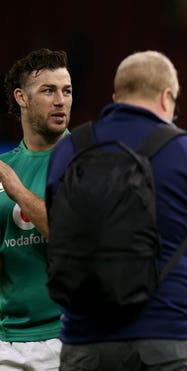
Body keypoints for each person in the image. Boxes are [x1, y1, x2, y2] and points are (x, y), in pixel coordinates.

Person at [45, 50, 187, 371]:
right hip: (167, 338)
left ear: (116, 97)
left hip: (84, 341)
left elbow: (59, 231)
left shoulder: (69, 150)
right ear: (167, 98)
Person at [0, 48, 72, 369]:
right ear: (22, 97)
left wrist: (16, 189)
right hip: (8, 343)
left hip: (70, 337)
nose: (61, 101)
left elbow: (70, 237)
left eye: (67, 91)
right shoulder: (4, 167)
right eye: (49, 90)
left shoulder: (88, 159)